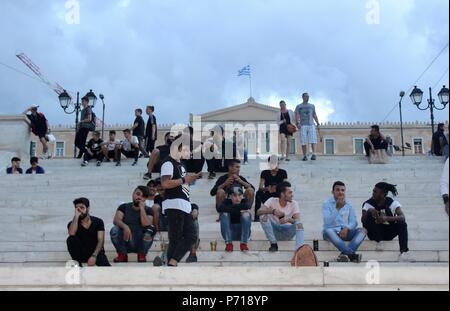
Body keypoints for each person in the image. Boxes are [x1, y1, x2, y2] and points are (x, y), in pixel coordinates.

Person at [160, 134, 201, 267]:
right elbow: (165, 184)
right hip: (174, 203)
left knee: (189, 236)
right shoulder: (168, 162)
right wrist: (184, 180)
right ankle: (171, 263)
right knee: (177, 238)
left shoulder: (180, 164)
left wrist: (189, 179)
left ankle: (171, 262)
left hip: (183, 204)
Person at [361, 182, 413, 262]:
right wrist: (369, 211)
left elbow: (402, 217)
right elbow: (363, 221)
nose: (373, 193)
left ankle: (404, 252)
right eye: (373, 191)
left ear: (383, 194)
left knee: (402, 223)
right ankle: (379, 241)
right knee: (369, 216)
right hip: (374, 233)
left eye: (375, 192)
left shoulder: (391, 202)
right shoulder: (368, 203)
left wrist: (386, 218)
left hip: (388, 232)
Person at [322, 181, 366, 263]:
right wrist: (337, 208)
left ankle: (345, 255)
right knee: (328, 230)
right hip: (331, 233)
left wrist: (347, 228)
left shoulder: (348, 204)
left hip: (344, 231)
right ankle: (351, 255)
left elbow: (354, 222)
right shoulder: (326, 203)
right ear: (332, 192)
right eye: (337, 190)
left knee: (363, 230)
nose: (340, 192)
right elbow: (327, 223)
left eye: (342, 190)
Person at [110, 186, 156, 263]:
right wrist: (125, 227)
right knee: (114, 230)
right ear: (133, 194)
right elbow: (116, 220)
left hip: (140, 241)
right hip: (126, 239)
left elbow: (146, 224)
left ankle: (142, 254)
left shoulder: (148, 210)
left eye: (143, 196)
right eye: (138, 194)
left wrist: (142, 208)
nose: (139, 197)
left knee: (150, 229)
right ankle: (122, 254)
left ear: (145, 199)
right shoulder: (124, 207)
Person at [257, 182, 304, 252]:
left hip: (288, 232)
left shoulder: (294, 203)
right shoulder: (271, 200)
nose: (292, 195)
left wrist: (288, 219)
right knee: (263, 216)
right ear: (282, 194)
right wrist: (272, 211)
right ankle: (273, 244)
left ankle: (299, 249)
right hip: (274, 231)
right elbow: (258, 212)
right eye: (290, 193)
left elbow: (297, 220)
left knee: (299, 224)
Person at [67, 198, 110, 266]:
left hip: (96, 252)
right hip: (81, 254)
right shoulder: (72, 223)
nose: (80, 210)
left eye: (82, 207)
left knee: (106, 268)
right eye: (77, 208)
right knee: (71, 239)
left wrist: (94, 256)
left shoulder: (98, 221)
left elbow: (101, 240)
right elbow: (71, 233)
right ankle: (77, 264)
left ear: (88, 208)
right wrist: (76, 216)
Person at [217, 187, 252, 252]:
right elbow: (220, 208)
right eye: (235, 195)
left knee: (246, 214)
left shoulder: (244, 201)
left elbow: (247, 206)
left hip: (243, 232)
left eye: (240, 195)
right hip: (230, 233)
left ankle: (243, 243)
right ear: (230, 196)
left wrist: (229, 209)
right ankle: (229, 244)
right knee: (224, 214)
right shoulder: (226, 202)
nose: (237, 198)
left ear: (242, 196)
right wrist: (239, 209)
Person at [255, 155, 288, 222]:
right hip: (268, 195)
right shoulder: (264, 173)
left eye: (276, 163)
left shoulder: (283, 172)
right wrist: (267, 189)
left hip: (279, 195)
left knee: (286, 193)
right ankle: (256, 216)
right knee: (258, 193)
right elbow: (260, 187)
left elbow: (286, 186)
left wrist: (277, 188)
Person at [295, 93, 320, 161]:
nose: (307, 97)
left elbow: (314, 114)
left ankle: (314, 154)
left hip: (311, 124)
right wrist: (297, 123)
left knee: (313, 139)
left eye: (308, 96)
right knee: (303, 140)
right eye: (306, 96)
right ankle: (304, 155)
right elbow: (297, 115)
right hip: (303, 125)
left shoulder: (312, 106)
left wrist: (317, 122)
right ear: (303, 97)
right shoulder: (299, 106)